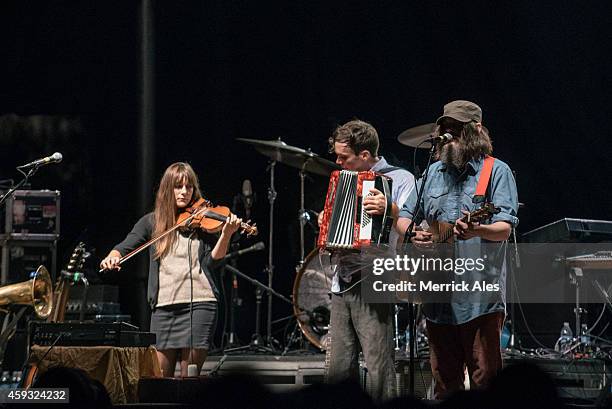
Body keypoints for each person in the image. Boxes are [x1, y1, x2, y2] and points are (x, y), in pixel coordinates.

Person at [396, 100, 519, 398]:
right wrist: (414, 234)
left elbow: (505, 228)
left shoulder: (496, 171)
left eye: (456, 128)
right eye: (445, 128)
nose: (448, 134)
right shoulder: (433, 173)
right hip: (438, 297)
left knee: (484, 379)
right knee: (444, 382)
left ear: (475, 131)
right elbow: (404, 216)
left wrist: (477, 229)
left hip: (480, 296)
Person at [100, 162, 241, 377]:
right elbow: (128, 243)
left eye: (189, 187)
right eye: (178, 186)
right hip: (164, 308)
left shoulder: (203, 221)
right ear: (168, 188)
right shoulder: (152, 222)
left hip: (201, 304)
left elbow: (214, 262)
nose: (184, 192)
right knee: (160, 379)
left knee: (189, 378)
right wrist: (114, 255)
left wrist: (226, 234)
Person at [322, 119, 415, 401]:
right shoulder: (342, 179)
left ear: (364, 155)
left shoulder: (400, 179)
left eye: (343, 157)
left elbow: (416, 228)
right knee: (338, 367)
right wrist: (326, 223)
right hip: (343, 281)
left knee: (378, 367)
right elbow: (336, 221)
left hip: (375, 279)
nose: (338, 162)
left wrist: (390, 208)